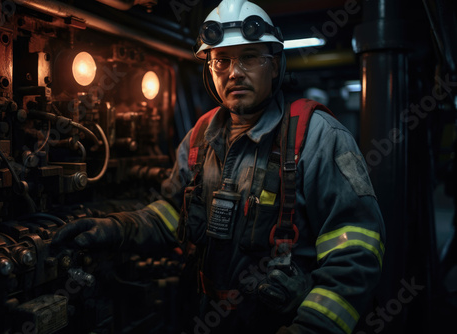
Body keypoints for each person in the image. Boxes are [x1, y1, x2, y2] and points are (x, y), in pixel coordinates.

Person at [53, 0, 386, 333]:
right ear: (209, 71)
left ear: (274, 65)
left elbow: (356, 253)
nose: (234, 72)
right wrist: (118, 228)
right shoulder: (200, 137)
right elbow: (173, 215)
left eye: (250, 57)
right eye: (222, 61)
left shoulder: (317, 138)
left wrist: (311, 328)